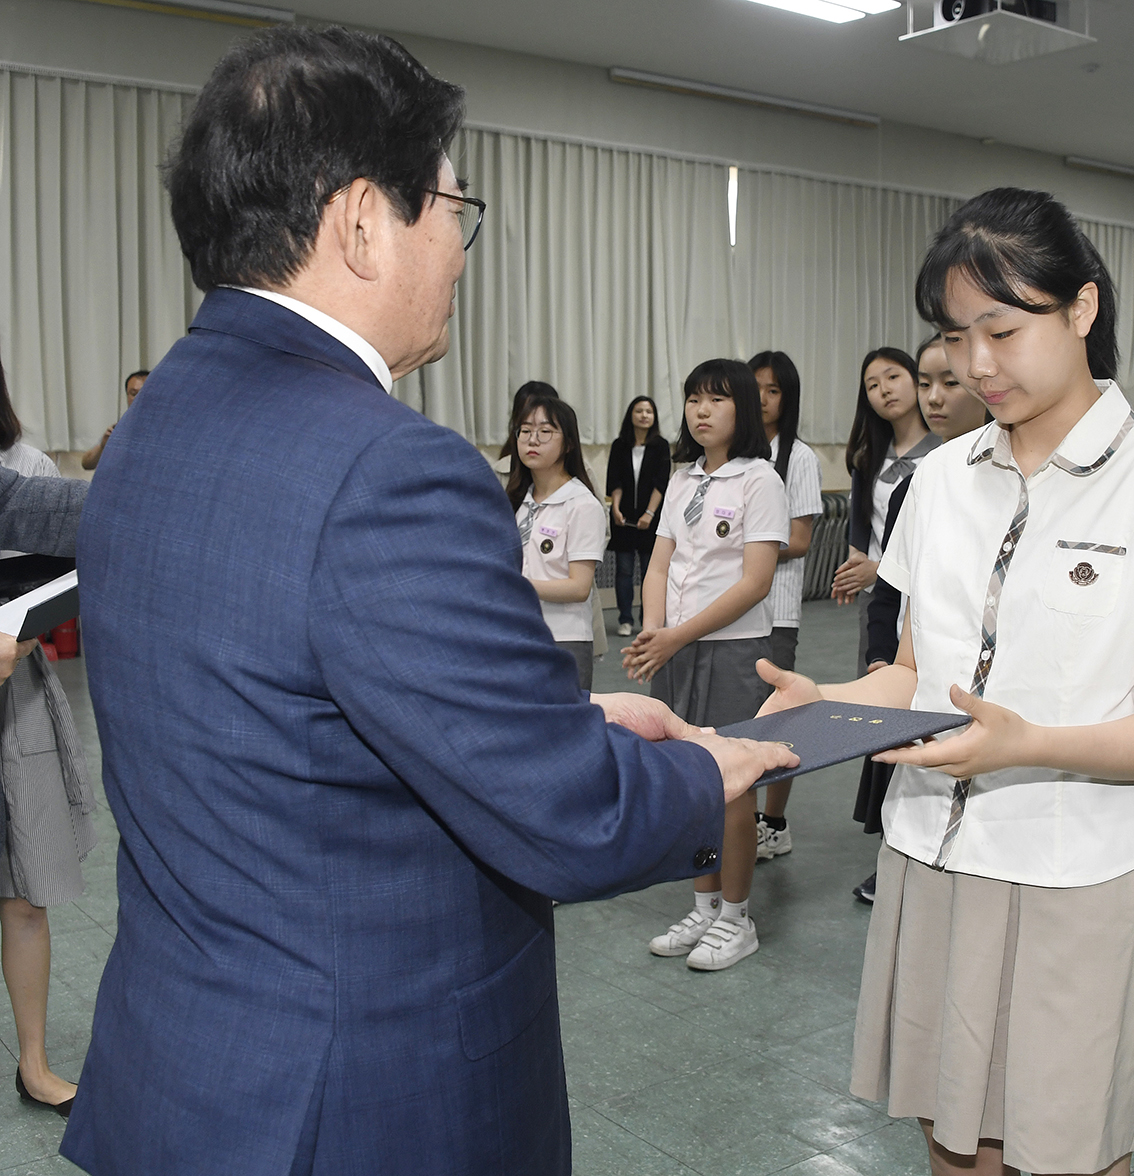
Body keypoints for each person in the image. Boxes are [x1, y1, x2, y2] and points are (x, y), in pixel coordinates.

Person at [60, 28, 795, 1176]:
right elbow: (565, 820)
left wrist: (579, 718)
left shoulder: (155, 427)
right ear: (363, 221)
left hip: (187, 1076)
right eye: (456, 206)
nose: (461, 246)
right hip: (358, 1103)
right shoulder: (390, 466)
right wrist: (714, 769)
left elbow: (294, 716)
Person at [758, 187, 1134, 1176]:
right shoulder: (942, 479)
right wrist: (830, 711)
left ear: (1083, 311)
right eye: (954, 334)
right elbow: (916, 673)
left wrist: (1030, 743)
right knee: (953, 1141)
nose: (976, 364)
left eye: (1003, 329)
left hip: (1081, 874)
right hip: (934, 859)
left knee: (1069, 1149)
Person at [624, 359, 789, 971]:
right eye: (693, 398)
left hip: (733, 651)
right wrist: (652, 629)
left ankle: (738, 917)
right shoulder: (684, 479)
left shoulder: (759, 481)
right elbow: (660, 564)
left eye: (716, 399)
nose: (700, 410)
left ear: (742, 410)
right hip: (677, 646)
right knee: (693, 783)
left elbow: (754, 582)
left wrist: (676, 635)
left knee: (734, 786)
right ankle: (705, 903)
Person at [852, 332, 987, 902]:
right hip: (915, 660)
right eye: (926, 382)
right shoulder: (918, 482)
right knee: (908, 764)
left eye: (948, 382)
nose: (934, 396)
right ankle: (899, 859)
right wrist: (883, 659)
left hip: (972, 679)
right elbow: (890, 591)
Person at [0, 359, 97, 1119]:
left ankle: (34, 1066)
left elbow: (63, 553)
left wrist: (20, 636)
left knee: (27, 889)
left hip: (17, 697)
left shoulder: (21, 470)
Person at [750, 350, 822, 862]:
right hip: (732, 613)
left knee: (778, 717)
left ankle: (774, 822)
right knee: (738, 718)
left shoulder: (799, 457)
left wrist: (744, 548)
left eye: (772, 390)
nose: (761, 398)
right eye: (753, 387)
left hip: (776, 609)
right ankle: (742, 815)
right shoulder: (738, 457)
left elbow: (799, 540)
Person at [832, 348, 937, 673]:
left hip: (926, 589)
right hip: (878, 593)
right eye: (872, 386)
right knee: (876, 674)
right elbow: (861, 529)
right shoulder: (868, 458)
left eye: (893, 377)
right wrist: (855, 571)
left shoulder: (943, 453)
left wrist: (878, 568)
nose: (885, 390)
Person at [508, 393, 607, 691]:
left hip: (563, 638)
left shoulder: (581, 504)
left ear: (568, 443)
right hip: (516, 632)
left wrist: (514, 585)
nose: (532, 440)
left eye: (545, 431)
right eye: (525, 431)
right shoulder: (518, 501)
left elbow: (579, 587)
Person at [605, 396, 669, 638]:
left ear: (654, 417)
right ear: (630, 415)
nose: (644, 415)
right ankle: (625, 619)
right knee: (624, 571)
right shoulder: (619, 444)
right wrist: (616, 509)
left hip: (650, 520)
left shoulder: (660, 445)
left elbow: (661, 483)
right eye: (639, 410)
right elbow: (615, 480)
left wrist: (650, 513)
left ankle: (647, 620)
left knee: (649, 572)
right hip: (624, 519)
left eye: (649, 411)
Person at [79, 370, 147, 471]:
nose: (138, 398)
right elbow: (87, 464)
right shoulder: (120, 428)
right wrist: (103, 445)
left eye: (142, 393)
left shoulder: (168, 428)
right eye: (133, 394)